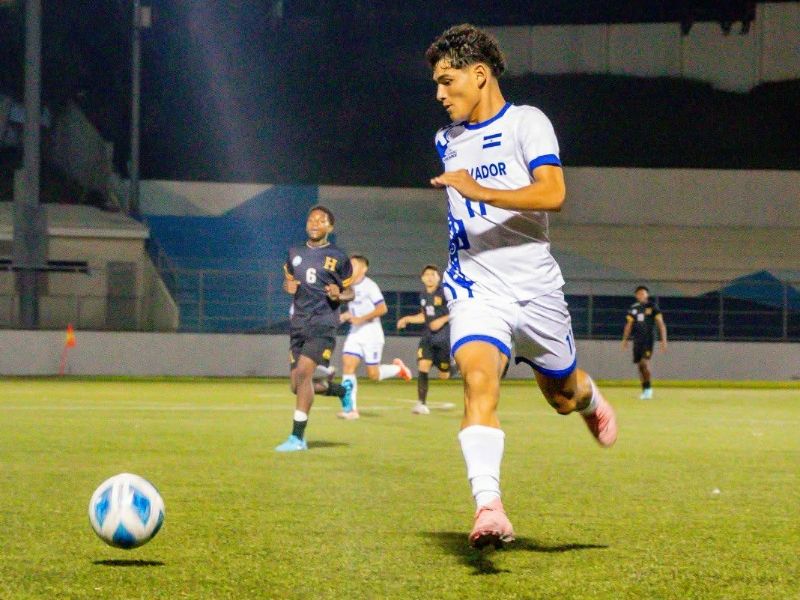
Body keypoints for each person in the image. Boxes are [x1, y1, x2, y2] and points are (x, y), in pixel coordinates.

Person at [425, 24, 618, 548]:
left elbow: (553, 193)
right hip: (475, 289)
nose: (439, 94)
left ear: (479, 74)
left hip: (536, 292)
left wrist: (480, 190)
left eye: (447, 81)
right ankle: (489, 506)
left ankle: (588, 399)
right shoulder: (446, 140)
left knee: (562, 397)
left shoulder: (527, 122)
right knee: (478, 380)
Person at [276, 205, 354, 452]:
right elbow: (289, 281)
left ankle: (297, 438)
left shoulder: (339, 257)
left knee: (303, 374)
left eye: (321, 220)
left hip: (323, 323)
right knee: (296, 385)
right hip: (298, 324)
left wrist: (339, 293)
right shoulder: (294, 253)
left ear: (330, 227)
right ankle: (340, 390)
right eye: (311, 220)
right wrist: (287, 286)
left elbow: (351, 292)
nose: (315, 224)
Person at [338, 254, 412, 420]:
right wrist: (347, 315)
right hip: (355, 332)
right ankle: (350, 409)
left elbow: (382, 308)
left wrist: (361, 319)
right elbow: (357, 308)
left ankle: (398, 369)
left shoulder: (370, 286)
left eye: (354, 265)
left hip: (371, 333)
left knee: (373, 374)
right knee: (348, 365)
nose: (350, 268)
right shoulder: (348, 285)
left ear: (364, 269)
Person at [397, 264, 451, 415]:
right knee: (423, 365)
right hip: (428, 337)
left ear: (439, 278)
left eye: (433, 274)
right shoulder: (423, 296)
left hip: (444, 338)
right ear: (422, 278)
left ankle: (452, 367)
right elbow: (424, 316)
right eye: (427, 275)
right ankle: (421, 404)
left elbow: (458, 310)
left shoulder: (445, 293)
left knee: (444, 375)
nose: (430, 277)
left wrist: (442, 320)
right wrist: (407, 319)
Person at [621, 285, 668, 400]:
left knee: (644, 363)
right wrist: (625, 339)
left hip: (648, 339)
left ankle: (648, 390)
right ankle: (645, 390)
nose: (641, 295)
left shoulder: (652, 307)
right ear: (636, 296)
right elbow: (629, 325)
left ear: (647, 295)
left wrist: (663, 340)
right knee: (639, 366)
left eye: (643, 293)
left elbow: (661, 324)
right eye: (639, 293)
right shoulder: (634, 308)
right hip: (637, 340)